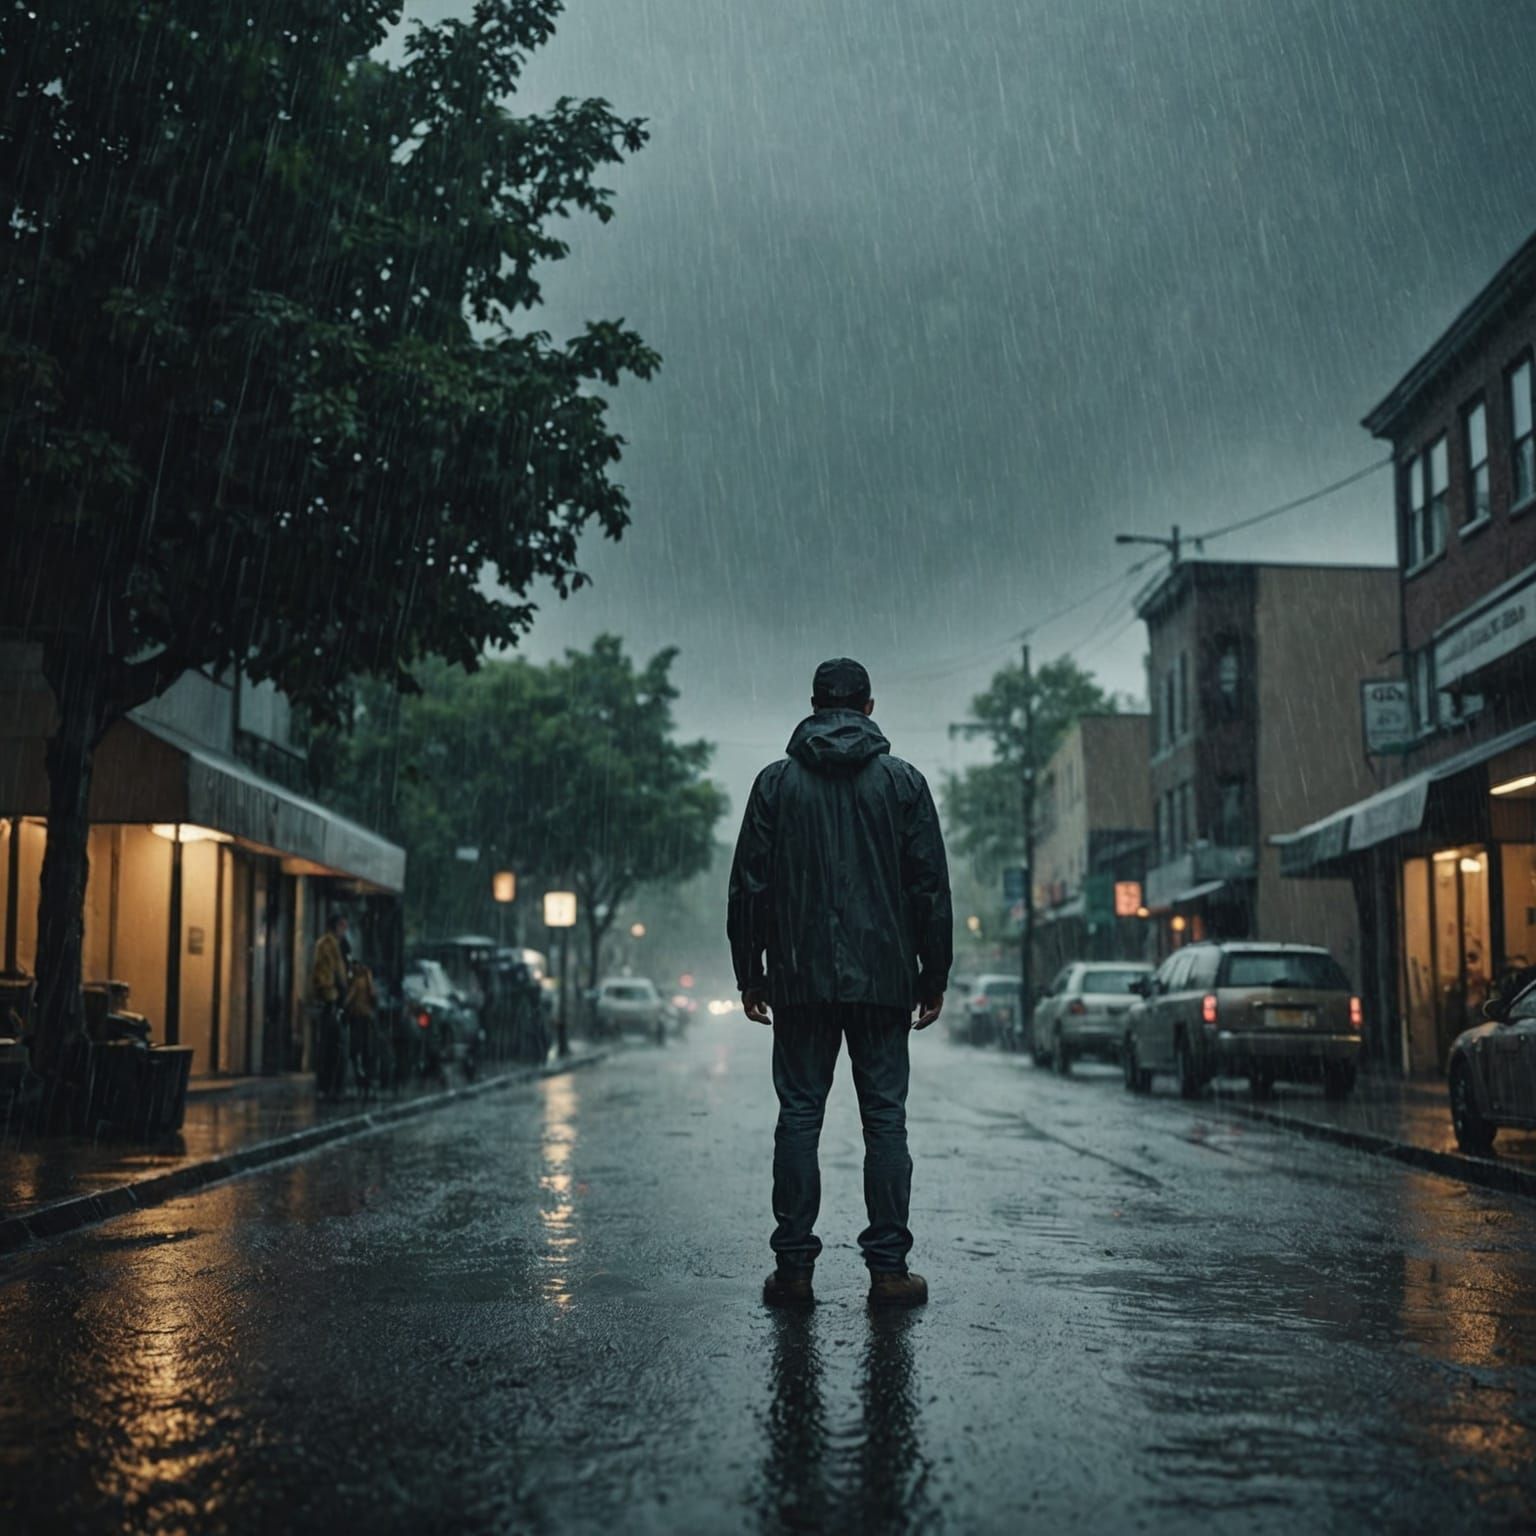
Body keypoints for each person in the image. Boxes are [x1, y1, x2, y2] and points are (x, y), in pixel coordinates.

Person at [728, 657, 952, 1310]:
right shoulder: (903, 784)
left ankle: (793, 1271)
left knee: (799, 1117)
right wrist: (931, 975)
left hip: (799, 979)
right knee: (885, 1122)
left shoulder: (776, 784)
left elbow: (751, 886)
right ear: (870, 707)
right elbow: (928, 888)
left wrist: (752, 971)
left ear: (814, 705)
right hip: (883, 980)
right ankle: (888, 1273)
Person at [309, 913, 350, 1100]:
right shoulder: (329, 945)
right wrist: (340, 991)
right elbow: (336, 973)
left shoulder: (330, 944)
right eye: (342, 925)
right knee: (333, 1046)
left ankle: (328, 1086)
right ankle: (329, 1086)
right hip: (330, 999)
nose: (345, 930)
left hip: (330, 998)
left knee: (331, 1046)